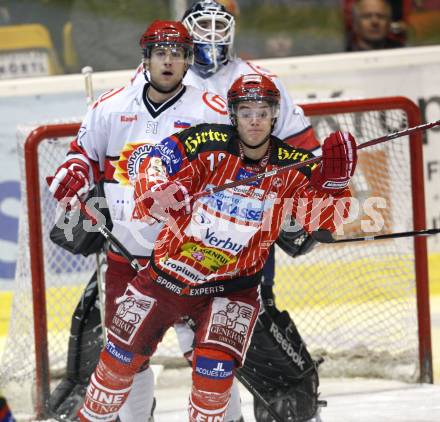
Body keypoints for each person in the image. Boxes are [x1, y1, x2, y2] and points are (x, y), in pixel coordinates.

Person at [77, 72, 357, 422]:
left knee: (213, 383)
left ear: (274, 114)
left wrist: (336, 186)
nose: (254, 120)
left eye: (263, 111)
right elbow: (153, 162)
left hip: (232, 290)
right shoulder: (205, 142)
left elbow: (324, 224)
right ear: (232, 113)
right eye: (246, 111)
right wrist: (159, 190)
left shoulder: (291, 166)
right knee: (115, 368)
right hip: (166, 280)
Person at [47, 19, 230, 422]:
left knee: (210, 358)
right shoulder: (109, 107)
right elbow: (82, 154)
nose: (169, 61)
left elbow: (234, 171)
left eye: (178, 54)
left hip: (190, 262)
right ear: (145, 59)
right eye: (161, 53)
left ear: (188, 62)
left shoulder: (211, 110)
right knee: (127, 356)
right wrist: (75, 173)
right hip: (127, 259)